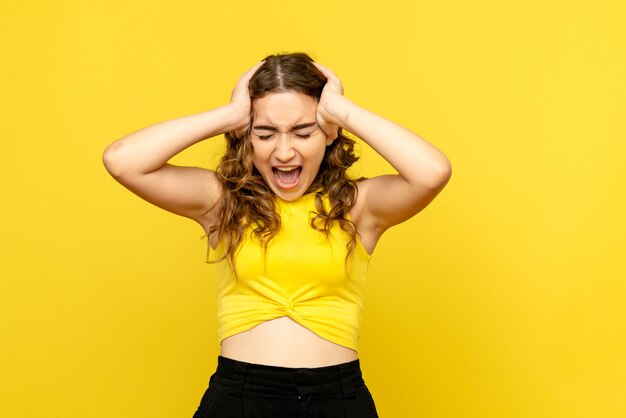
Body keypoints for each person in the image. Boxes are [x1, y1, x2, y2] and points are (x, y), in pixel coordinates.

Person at [102, 52, 451, 418]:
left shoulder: (358, 207)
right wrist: (229, 116)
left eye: (303, 132)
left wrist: (340, 110)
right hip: (239, 399)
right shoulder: (224, 203)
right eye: (265, 133)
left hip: (337, 401)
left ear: (328, 134)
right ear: (246, 137)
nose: (285, 151)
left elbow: (432, 172)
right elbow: (122, 160)